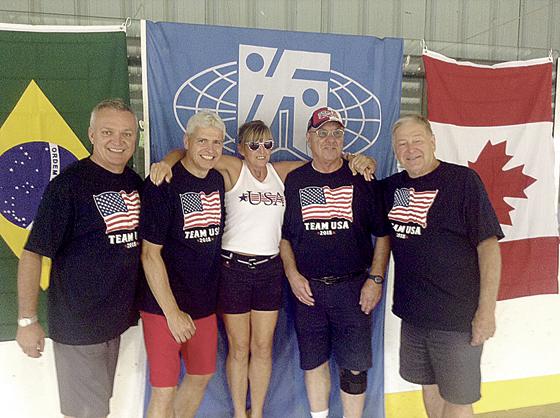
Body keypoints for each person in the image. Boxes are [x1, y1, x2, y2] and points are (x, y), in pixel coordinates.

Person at [150, 118, 376, 418]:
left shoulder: (280, 171)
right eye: (254, 144)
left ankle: (256, 412)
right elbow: (189, 150)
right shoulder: (233, 168)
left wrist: (358, 159)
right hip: (234, 270)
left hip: (270, 270)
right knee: (239, 348)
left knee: (263, 347)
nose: (261, 150)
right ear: (241, 147)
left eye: (267, 144)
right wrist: (166, 161)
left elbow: (326, 158)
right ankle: (238, 413)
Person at [16, 98, 142, 418]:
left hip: (114, 321)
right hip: (78, 325)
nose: (118, 141)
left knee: (97, 407)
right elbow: (32, 254)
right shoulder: (68, 187)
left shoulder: (133, 181)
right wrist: (27, 320)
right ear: (92, 134)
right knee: (87, 413)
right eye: (108, 132)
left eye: (127, 133)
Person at [383, 114, 503, 418]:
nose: (410, 149)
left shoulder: (463, 181)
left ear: (433, 141)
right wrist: (355, 160)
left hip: (457, 319)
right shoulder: (393, 189)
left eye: (417, 140)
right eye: (402, 144)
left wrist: (486, 311)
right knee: (430, 387)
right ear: (395, 150)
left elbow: (488, 247)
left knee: (459, 397)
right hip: (413, 316)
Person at [280, 107, 391, 418]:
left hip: (354, 288)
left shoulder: (361, 178)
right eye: (322, 133)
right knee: (314, 362)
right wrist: (291, 274)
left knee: (354, 367)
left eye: (336, 133)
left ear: (344, 139)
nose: (330, 139)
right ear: (309, 138)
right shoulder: (296, 180)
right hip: (309, 290)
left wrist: (376, 279)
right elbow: (285, 236)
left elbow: (382, 235)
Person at [139, 110, 226, 418]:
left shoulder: (216, 179)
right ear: (187, 141)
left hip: (203, 304)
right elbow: (150, 254)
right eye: (202, 140)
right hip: (164, 307)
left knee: (201, 376)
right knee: (163, 392)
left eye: (217, 142)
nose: (210, 149)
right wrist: (172, 312)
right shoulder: (163, 184)